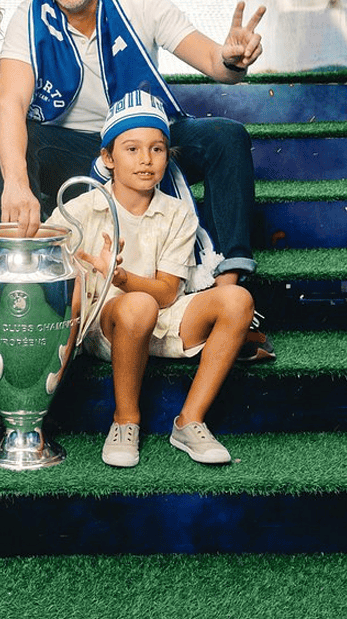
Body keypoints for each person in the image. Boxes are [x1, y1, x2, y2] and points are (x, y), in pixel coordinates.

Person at [0, 0, 273, 363]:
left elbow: (215, 62)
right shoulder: (27, 18)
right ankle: (25, 300)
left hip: (146, 131)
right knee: (17, 142)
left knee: (227, 136)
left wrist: (234, 58)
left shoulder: (139, 0)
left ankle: (225, 297)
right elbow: (10, 104)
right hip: (78, 143)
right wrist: (17, 183)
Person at [45, 91, 254, 467]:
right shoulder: (79, 208)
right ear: (107, 158)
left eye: (157, 149)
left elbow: (167, 292)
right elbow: (34, 250)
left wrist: (121, 275)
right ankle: (126, 420)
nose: (146, 160)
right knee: (136, 305)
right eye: (132, 149)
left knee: (237, 298)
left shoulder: (177, 213)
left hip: (163, 317)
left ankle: (190, 421)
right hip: (108, 327)